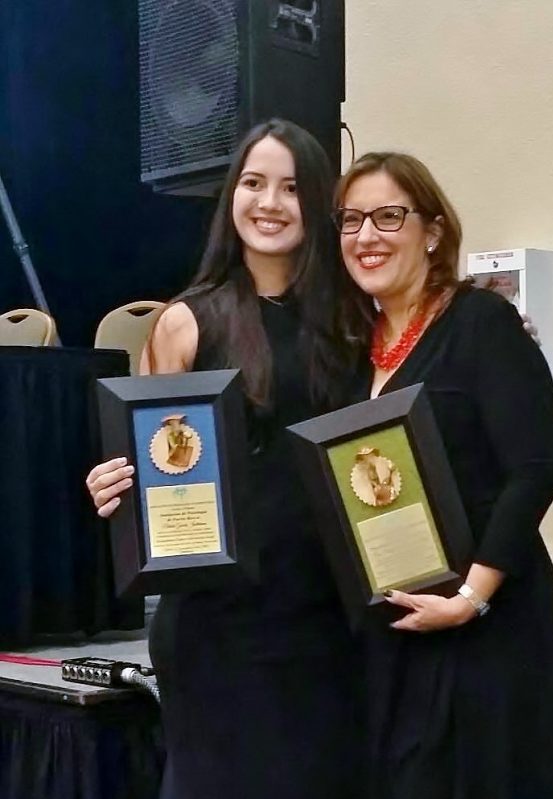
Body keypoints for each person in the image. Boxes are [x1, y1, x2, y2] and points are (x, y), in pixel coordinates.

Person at [87, 119, 364, 799]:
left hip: (330, 615)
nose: (269, 203)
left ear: (319, 201)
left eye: (292, 188)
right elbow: (150, 461)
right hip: (219, 624)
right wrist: (115, 484)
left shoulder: (354, 319)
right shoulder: (187, 321)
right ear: (230, 197)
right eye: (253, 183)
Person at [333, 151, 553, 798]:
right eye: (351, 219)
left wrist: (471, 597)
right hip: (400, 630)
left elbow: (536, 466)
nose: (367, 236)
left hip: (488, 628)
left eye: (389, 216)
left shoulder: (481, 322)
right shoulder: (350, 354)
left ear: (433, 231)